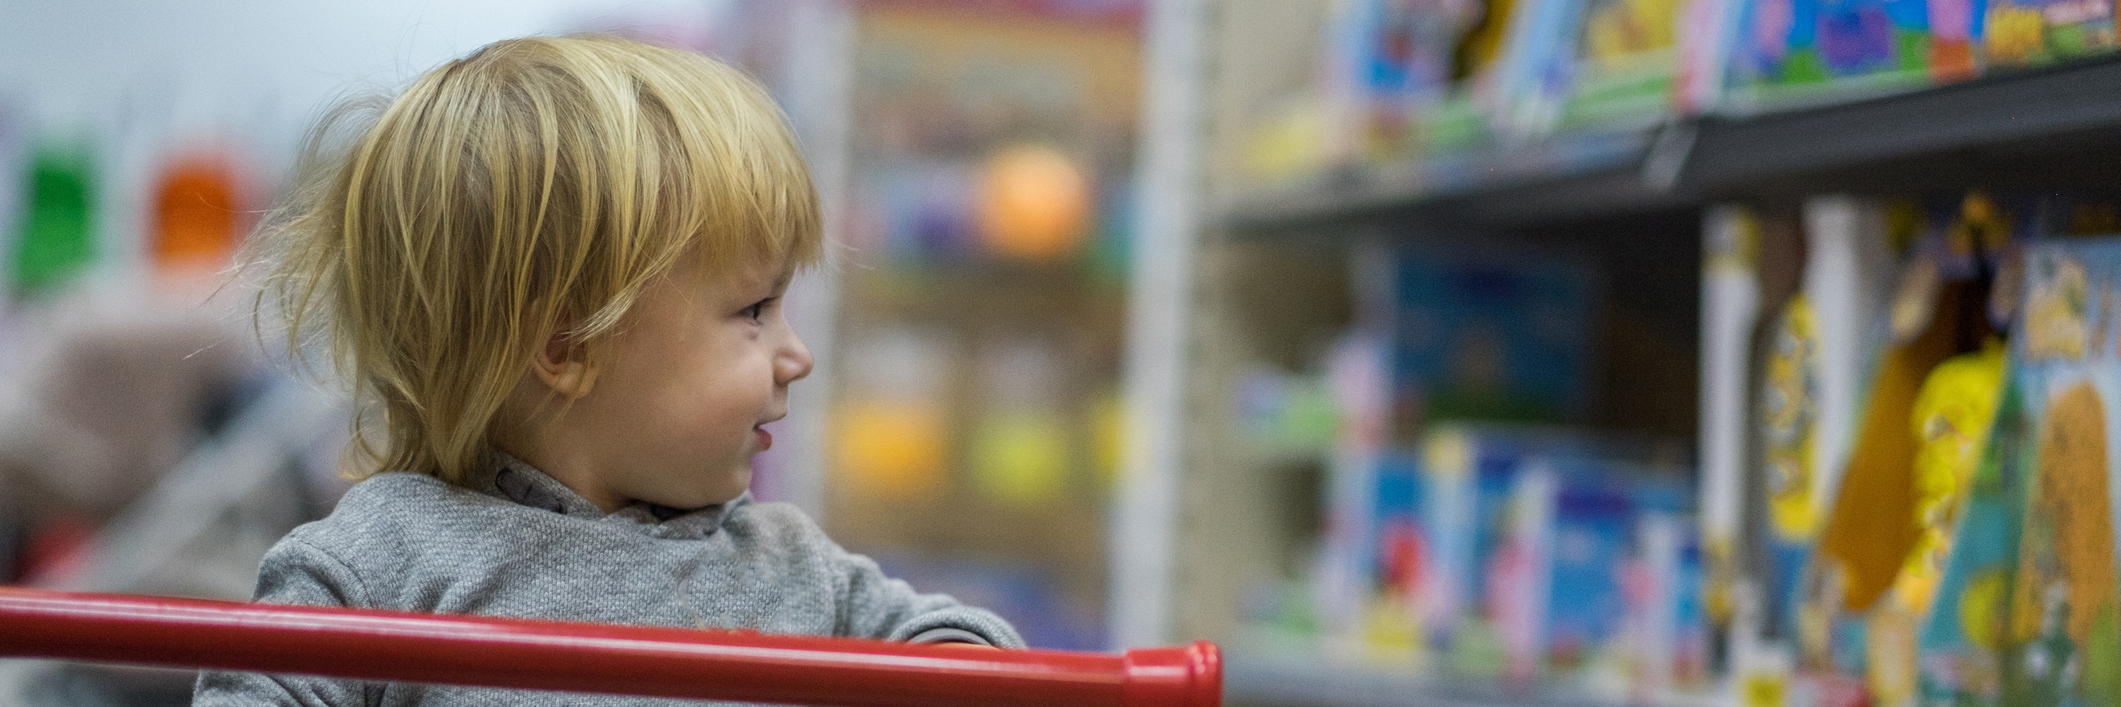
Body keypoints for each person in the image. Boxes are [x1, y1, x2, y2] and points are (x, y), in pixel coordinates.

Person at [195, 35, 1021, 706]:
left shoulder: (784, 562)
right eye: (753, 312)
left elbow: (965, 647)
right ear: (567, 347)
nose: (795, 356)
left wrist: (953, 670)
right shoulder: (383, 560)